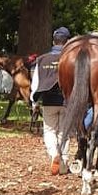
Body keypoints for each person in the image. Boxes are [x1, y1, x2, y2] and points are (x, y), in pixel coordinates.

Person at [30, 26, 71, 175]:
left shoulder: (42, 59)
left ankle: (54, 154)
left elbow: (35, 83)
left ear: (54, 40)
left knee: (49, 130)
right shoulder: (71, 59)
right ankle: (64, 164)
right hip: (67, 101)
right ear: (67, 42)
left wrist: (34, 102)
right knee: (64, 132)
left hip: (48, 101)